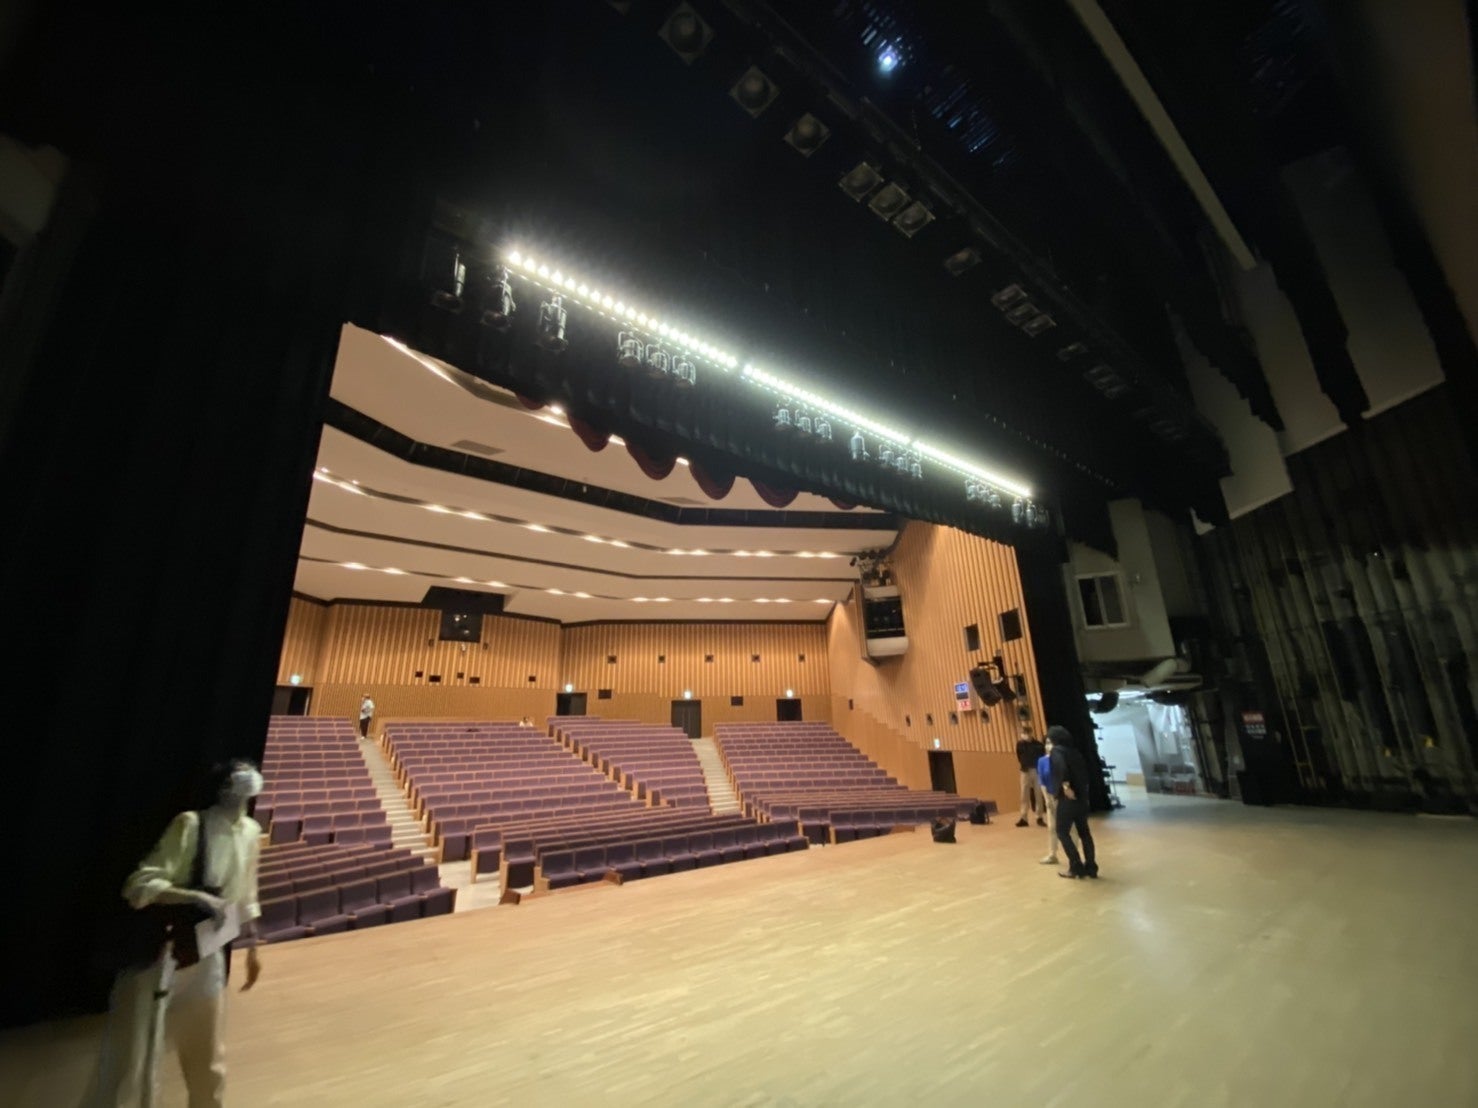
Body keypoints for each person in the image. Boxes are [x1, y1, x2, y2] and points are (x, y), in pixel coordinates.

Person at [81, 759, 265, 1107]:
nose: (250, 776)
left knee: (209, 1054)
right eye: (239, 772)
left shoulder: (251, 832)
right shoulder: (192, 824)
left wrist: (253, 947)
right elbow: (140, 885)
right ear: (224, 785)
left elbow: (246, 894)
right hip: (162, 953)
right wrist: (193, 896)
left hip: (208, 952)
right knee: (137, 1057)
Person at [1047, 725, 1098, 879]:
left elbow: (1061, 768)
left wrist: (1065, 786)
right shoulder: (1075, 752)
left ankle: (1076, 866)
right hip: (1082, 797)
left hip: (1068, 798)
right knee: (1084, 833)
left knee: (1062, 832)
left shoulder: (1057, 751)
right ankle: (1091, 866)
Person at [1014, 730, 1046, 827]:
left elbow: (1042, 757)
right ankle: (1024, 817)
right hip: (1025, 770)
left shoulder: (1038, 745)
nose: (1025, 735)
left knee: (1038, 794)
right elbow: (1019, 756)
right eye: (1024, 733)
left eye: (1027, 733)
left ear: (1031, 733)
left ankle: (1039, 817)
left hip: (1036, 770)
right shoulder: (1020, 744)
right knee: (1024, 794)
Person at [1037, 732, 1059, 866]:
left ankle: (1075, 856)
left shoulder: (1061, 759)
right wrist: (1046, 799)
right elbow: (1042, 781)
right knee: (1052, 827)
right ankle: (1052, 854)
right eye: (1047, 743)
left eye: (1051, 743)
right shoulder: (1041, 761)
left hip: (1062, 796)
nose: (1048, 746)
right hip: (1050, 796)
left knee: (1070, 827)